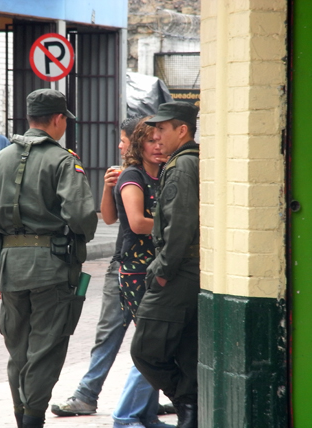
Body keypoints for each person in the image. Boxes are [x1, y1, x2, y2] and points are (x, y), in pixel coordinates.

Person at [0, 88, 97, 428]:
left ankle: (21, 416)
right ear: (58, 119)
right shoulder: (64, 160)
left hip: (10, 269)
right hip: (53, 268)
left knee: (18, 350)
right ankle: (32, 419)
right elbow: (82, 217)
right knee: (45, 348)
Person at [51, 117, 140, 417]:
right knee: (109, 333)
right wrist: (107, 187)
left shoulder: (151, 175)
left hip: (144, 270)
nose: (119, 145)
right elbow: (110, 217)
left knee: (155, 339)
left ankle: (166, 395)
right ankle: (87, 394)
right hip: (122, 265)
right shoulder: (125, 175)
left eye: (123, 139)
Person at [130, 102, 200, 428]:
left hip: (179, 270)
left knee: (144, 350)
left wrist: (162, 271)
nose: (156, 135)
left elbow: (181, 225)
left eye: (163, 128)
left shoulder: (182, 166)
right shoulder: (183, 162)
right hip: (185, 269)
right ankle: (191, 412)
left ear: (181, 130)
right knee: (185, 351)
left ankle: (187, 401)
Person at [110, 117, 173, 428]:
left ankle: (145, 414)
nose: (158, 145)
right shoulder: (132, 177)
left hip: (161, 267)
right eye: (151, 140)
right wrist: (175, 226)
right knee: (151, 344)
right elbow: (136, 223)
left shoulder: (163, 174)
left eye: (161, 138)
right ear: (139, 145)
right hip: (137, 272)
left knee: (157, 342)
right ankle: (125, 417)